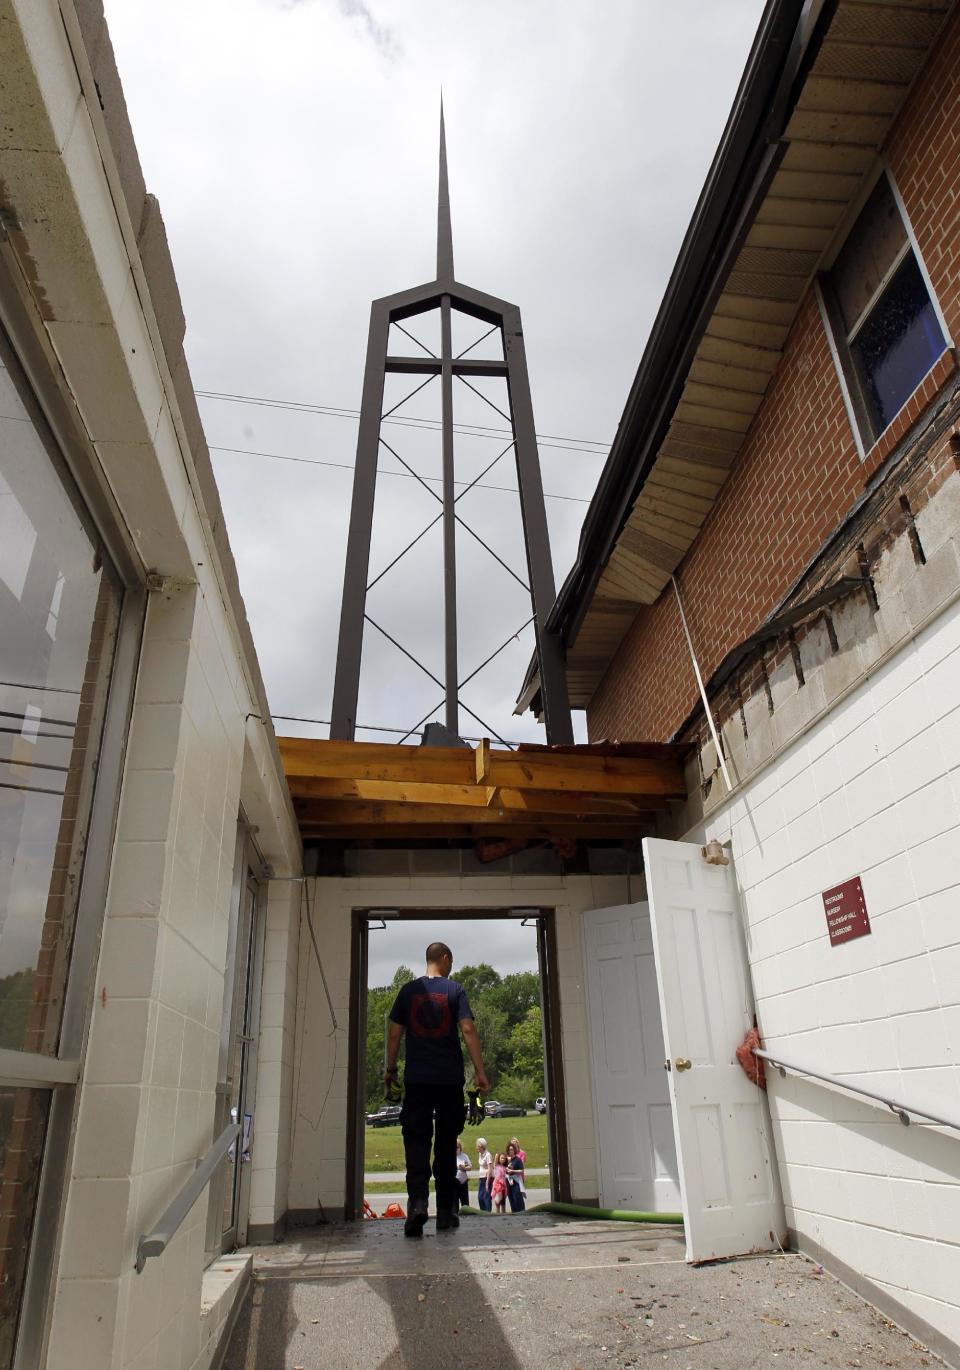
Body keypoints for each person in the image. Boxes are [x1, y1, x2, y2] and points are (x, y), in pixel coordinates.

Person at [385, 942, 490, 1238]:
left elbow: (394, 1033)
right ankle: (446, 1211)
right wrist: (480, 1072)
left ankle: (417, 1206)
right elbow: (468, 1029)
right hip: (448, 1080)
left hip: (417, 1080)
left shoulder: (407, 991)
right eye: (451, 961)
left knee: (416, 1142)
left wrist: (390, 1070)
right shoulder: (455, 990)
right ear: (444, 958)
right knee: (446, 1143)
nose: (452, 966)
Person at [506, 1141, 525, 1213]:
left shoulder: (518, 1160)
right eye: (509, 1150)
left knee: (517, 1197)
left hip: (516, 1181)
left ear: (514, 1150)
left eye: (512, 1149)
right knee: (511, 1198)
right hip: (509, 1182)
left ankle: (521, 1212)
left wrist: (513, 1171)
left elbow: (521, 1171)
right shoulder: (507, 1160)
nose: (511, 1151)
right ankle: (513, 1212)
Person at [476, 1137, 493, 1211]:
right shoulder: (480, 1154)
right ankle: (482, 1211)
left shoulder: (488, 1155)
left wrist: (487, 1182)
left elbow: (490, 1168)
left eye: (477, 1146)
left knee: (486, 1197)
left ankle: (488, 1213)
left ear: (481, 1146)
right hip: (481, 1178)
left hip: (487, 1179)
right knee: (480, 1197)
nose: (476, 1147)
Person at [455, 1137, 471, 1210]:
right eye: (455, 1147)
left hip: (464, 1181)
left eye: (458, 1147)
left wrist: (464, 1167)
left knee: (465, 1201)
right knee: (455, 1201)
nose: (457, 1149)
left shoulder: (464, 1156)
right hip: (455, 1182)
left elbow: (469, 1167)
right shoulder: (450, 1156)